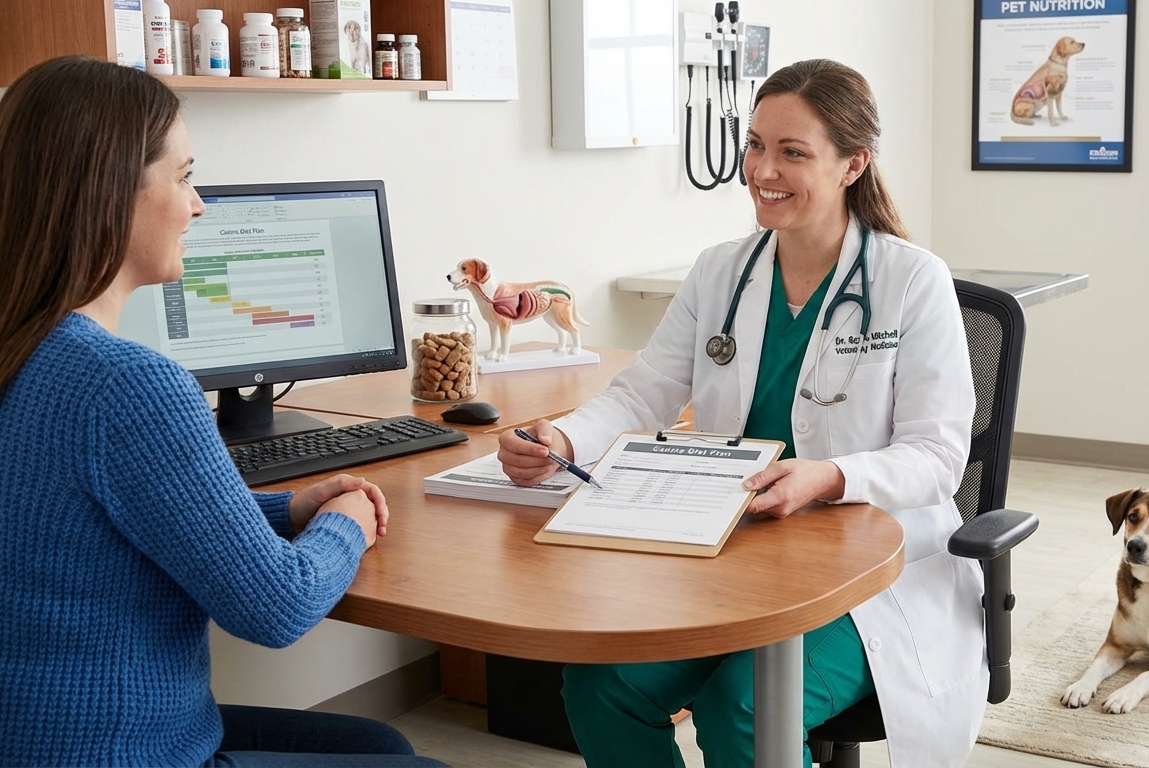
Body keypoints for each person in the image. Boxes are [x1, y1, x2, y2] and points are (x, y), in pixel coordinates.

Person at [498, 59, 986, 767]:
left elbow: (938, 455)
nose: (764, 169)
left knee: (743, 709)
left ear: (854, 164)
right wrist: (561, 436)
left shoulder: (911, 281)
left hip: (872, 568)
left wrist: (826, 477)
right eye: (756, 144)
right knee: (600, 686)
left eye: (793, 152)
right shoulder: (721, 271)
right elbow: (644, 393)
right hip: (730, 547)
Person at [0, 56, 442, 768]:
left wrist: (287, 510)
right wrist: (345, 525)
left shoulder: (25, 348)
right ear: (113, 190)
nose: (198, 204)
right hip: (120, 753)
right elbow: (279, 607)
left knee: (379, 743)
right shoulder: (128, 385)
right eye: (183, 176)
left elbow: (106, 521)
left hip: (34, 739)